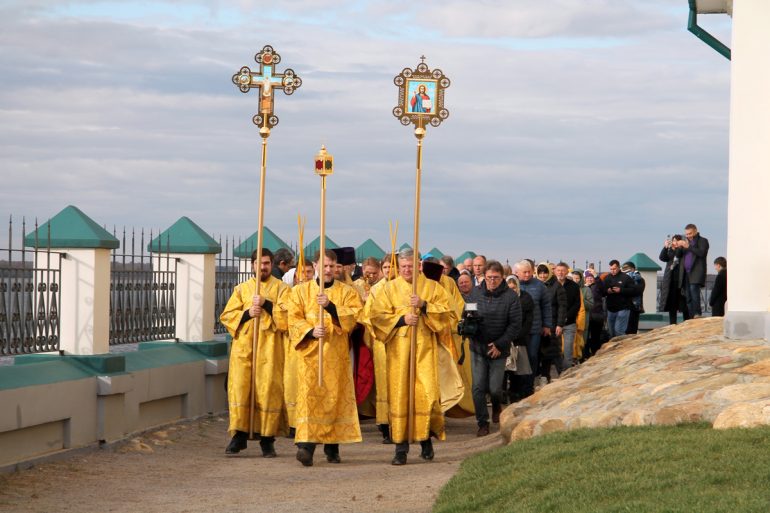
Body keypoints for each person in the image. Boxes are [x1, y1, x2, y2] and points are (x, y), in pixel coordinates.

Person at [368, 249, 452, 465]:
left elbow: (448, 313)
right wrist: (401, 319)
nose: (407, 270)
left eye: (411, 266)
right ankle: (400, 448)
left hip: (425, 350)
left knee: (427, 394)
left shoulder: (432, 287)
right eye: (403, 266)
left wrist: (425, 305)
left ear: (419, 266)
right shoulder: (389, 288)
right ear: (399, 267)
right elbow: (376, 316)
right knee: (400, 397)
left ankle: (425, 439)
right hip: (398, 352)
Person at [286, 249, 363, 466]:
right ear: (316, 265)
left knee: (333, 400)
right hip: (310, 356)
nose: (328, 270)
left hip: (336, 356)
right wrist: (310, 331)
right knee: (310, 400)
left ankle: (332, 447)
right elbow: (292, 319)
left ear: (337, 268)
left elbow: (354, 317)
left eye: (332, 266)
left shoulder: (346, 292)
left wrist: (330, 307)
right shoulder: (300, 292)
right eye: (325, 266)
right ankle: (306, 447)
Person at [220, 248, 290, 457]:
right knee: (241, 389)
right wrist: (247, 313)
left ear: (272, 264)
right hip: (244, 349)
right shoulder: (241, 289)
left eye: (267, 263)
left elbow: (288, 317)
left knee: (268, 390)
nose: (263, 267)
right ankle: (239, 435)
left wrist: (267, 305)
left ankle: (267, 439)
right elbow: (227, 316)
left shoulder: (282, 289)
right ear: (252, 265)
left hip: (270, 349)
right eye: (259, 263)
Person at [466, 260, 522, 436]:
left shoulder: (511, 297)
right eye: (489, 277)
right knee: (478, 387)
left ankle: (497, 405)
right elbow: (467, 313)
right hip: (478, 347)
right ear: (484, 276)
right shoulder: (475, 293)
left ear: (502, 278)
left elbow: (515, 325)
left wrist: (499, 344)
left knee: (495, 388)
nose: (492, 281)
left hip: (499, 348)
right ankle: (483, 422)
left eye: (496, 278)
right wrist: (468, 323)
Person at [513, 260, 552, 397]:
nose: (528, 274)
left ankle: (528, 387)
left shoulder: (539, 285)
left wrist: (547, 324)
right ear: (516, 273)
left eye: (529, 271)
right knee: (517, 359)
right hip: (517, 330)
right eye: (524, 272)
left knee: (532, 356)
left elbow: (546, 305)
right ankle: (517, 388)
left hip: (535, 328)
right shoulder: (512, 285)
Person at [503, 275, 534, 403]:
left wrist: (517, 335)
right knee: (505, 369)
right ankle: (503, 395)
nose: (512, 290)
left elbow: (528, 321)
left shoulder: (526, 298)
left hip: (519, 339)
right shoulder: (502, 299)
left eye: (514, 288)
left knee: (519, 369)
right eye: (509, 288)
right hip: (505, 339)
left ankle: (517, 393)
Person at [553, 263, 580, 372]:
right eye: (558, 270)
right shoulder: (552, 285)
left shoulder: (574, 286)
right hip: (554, 323)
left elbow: (577, 304)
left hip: (569, 322)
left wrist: (566, 317)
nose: (560, 272)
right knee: (556, 349)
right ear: (555, 271)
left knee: (568, 350)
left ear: (567, 271)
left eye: (563, 270)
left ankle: (567, 372)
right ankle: (560, 371)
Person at [679, 224, 710, 318]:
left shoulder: (703, 241)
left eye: (690, 233)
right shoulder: (685, 242)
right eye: (687, 234)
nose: (688, 236)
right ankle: (691, 315)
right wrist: (678, 246)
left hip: (696, 271)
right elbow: (678, 255)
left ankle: (697, 313)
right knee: (688, 295)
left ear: (695, 231)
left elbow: (702, 253)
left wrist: (688, 247)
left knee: (694, 292)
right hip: (685, 272)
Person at [601, 259, 636, 338]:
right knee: (611, 331)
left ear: (619, 267)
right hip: (611, 308)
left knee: (619, 331)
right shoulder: (607, 278)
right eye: (611, 269)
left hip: (623, 307)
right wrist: (607, 291)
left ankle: (621, 348)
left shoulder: (626, 278)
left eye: (614, 269)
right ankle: (612, 349)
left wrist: (621, 290)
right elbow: (602, 291)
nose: (612, 271)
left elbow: (633, 291)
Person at [659, 235, 689, 324]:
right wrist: (665, 247)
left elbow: (679, 254)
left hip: (681, 281)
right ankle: (672, 323)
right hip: (670, 281)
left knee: (683, 303)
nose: (674, 242)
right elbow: (662, 258)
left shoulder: (683, 250)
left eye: (676, 240)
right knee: (672, 304)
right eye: (673, 240)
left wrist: (680, 246)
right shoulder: (670, 251)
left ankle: (687, 322)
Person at [583, 270, 606, 359]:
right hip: (586, 316)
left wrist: (596, 276)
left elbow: (603, 288)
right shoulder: (583, 288)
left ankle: (595, 353)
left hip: (597, 316)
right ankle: (585, 354)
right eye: (588, 278)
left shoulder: (597, 287)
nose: (589, 279)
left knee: (596, 336)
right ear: (585, 279)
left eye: (591, 277)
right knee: (585, 336)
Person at [622, 262, 645, 335]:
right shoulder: (624, 279)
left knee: (632, 330)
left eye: (628, 270)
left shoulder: (640, 280)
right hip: (625, 307)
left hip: (634, 307)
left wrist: (625, 290)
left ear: (633, 269)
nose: (626, 273)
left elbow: (637, 291)